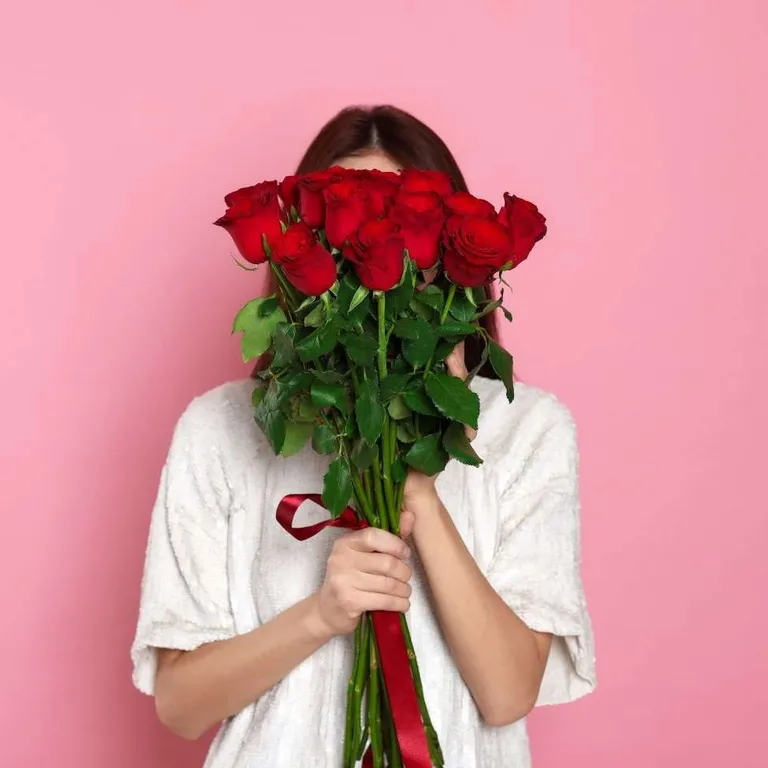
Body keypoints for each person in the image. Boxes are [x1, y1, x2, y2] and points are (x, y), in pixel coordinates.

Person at [131, 105, 596, 768]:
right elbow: (180, 706)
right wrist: (320, 615)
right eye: (343, 225)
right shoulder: (221, 429)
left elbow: (508, 694)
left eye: (404, 223)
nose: (369, 248)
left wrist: (422, 493)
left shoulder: (529, 429)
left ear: (454, 252)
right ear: (298, 244)